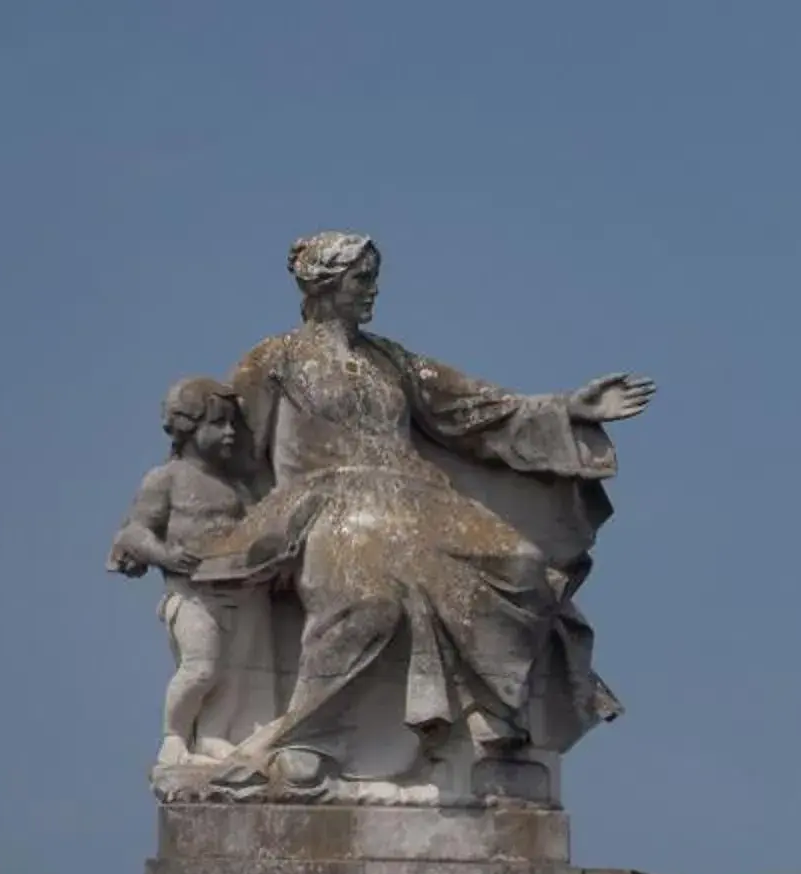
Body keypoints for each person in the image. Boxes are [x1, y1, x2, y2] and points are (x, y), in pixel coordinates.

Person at [181, 231, 654, 796]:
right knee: (368, 595)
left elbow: (474, 409)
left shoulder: (391, 360)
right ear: (326, 285)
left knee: (521, 563)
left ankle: (493, 711)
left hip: (415, 498)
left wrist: (566, 409)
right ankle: (309, 736)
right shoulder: (274, 359)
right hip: (326, 501)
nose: (373, 291)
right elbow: (236, 452)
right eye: (362, 279)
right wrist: (209, 520)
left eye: (373, 278)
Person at [107, 378, 272, 765]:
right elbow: (133, 531)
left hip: (237, 592)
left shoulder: (235, 486)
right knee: (201, 667)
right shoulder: (167, 478)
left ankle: (213, 735)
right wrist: (164, 555)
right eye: (218, 424)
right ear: (189, 428)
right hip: (191, 593)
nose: (229, 433)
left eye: (233, 424)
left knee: (233, 674)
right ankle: (174, 737)